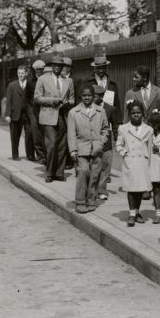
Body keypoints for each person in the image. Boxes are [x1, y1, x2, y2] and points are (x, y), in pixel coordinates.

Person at [67, 84, 109, 214]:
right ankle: (80, 201)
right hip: (81, 149)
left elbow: (106, 129)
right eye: (84, 96)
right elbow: (71, 133)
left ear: (94, 97)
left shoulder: (100, 111)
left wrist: (101, 142)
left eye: (89, 95)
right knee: (83, 172)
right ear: (80, 96)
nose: (87, 98)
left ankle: (91, 200)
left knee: (94, 175)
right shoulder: (74, 112)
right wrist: (73, 150)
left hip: (96, 149)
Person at [34, 56, 73, 183]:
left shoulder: (68, 81)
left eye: (59, 65)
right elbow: (37, 98)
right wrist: (53, 101)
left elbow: (73, 99)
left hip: (63, 116)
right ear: (51, 66)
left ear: (63, 67)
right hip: (48, 116)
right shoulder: (42, 79)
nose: (57, 67)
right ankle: (49, 173)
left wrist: (67, 103)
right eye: (54, 65)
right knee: (51, 145)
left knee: (62, 145)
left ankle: (59, 173)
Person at [115, 101, 153, 227]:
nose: (136, 115)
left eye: (138, 113)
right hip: (130, 162)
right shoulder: (123, 129)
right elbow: (119, 145)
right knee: (131, 189)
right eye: (133, 113)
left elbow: (150, 148)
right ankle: (131, 214)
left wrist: (149, 163)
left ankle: (137, 212)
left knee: (140, 189)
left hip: (142, 162)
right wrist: (125, 154)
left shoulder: (149, 129)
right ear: (129, 114)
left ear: (143, 114)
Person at [92, 84, 119, 201]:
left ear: (102, 96)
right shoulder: (89, 108)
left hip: (107, 142)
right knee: (94, 167)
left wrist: (117, 140)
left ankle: (102, 190)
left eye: (95, 96)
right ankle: (92, 190)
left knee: (106, 167)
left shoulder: (110, 109)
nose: (92, 98)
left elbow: (115, 126)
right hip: (93, 141)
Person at [5, 65, 34, 161]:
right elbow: (8, 101)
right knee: (15, 135)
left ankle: (30, 155)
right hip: (15, 114)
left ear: (26, 73)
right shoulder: (12, 85)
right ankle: (15, 155)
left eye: (22, 73)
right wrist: (7, 114)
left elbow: (31, 99)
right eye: (19, 73)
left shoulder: (29, 85)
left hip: (27, 114)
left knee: (29, 134)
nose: (20, 75)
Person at [84, 55, 122, 124]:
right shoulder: (88, 83)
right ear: (94, 68)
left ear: (106, 67)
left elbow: (117, 104)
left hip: (109, 118)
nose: (101, 70)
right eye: (98, 68)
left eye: (103, 68)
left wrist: (119, 121)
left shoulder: (112, 83)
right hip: (92, 117)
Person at [25, 60, 47, 163]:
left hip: (45, 110)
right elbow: (26, 99)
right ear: (34, 71)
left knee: (46, 133)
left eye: (41, 70)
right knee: (36, 134)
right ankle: (40, 156)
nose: (40, 72)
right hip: (34, 111)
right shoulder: (30, 82)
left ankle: (47, 155)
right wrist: (30, 113)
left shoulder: (48, 80)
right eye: (37, 70)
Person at [60, 57, 76, 169]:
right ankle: (63, 160)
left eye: (66, 66)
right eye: (63, 66)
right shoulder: (58, 79)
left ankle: (70, 161)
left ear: (70, 67)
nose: (64, 68)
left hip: (71, 111)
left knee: (71, 135)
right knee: (61, 136)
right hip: (59, 112)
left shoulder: (75, 79)